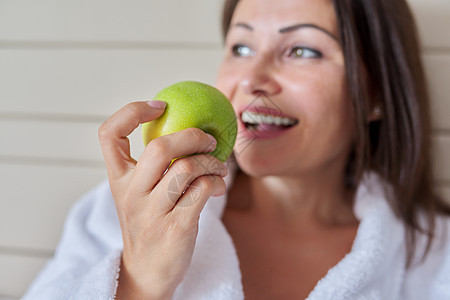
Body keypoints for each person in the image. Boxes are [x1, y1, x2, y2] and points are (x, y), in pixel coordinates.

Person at [23, 0, 450, 299]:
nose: (251, 78)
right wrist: (139, 283)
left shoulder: (436, 255)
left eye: (302, 50)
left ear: (376, 91)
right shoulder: (127, 214)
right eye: (241, 48)